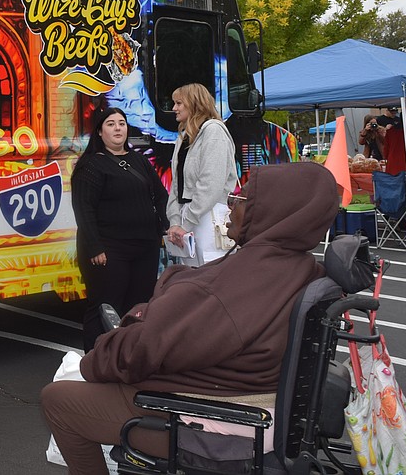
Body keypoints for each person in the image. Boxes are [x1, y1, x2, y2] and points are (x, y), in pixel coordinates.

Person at [41, 163, 339, 475]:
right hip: (258, 408)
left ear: (269, 212)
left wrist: (98, 357)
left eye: (241, 200)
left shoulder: (240, 284)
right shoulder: (299, 266)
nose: (232, 207)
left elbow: (139, 351)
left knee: (59, 400)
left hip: (224, 424)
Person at [71, 108, 168, 352]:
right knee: (105, 307)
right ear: (100, 132)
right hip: (108, 250)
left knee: (138, 307)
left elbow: (161, 196)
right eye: (111, 124)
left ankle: (128, 358)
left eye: (122, 123)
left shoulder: (139, 161)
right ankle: (94, 360)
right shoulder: (91, 166)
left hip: (144, 248)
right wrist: (94, 247)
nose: (117, 128)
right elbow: (84, 209)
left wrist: (165, 228)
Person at [165, 83, 239, 263]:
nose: (174, 108)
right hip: (191, 216)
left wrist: (184, 222)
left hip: (209, 217)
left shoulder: (213, 131)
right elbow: (177, 184)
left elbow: (210, 184)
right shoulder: (184, 137)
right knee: (192, 277)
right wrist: (175, 221)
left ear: (194, 103)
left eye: (179, 103)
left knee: (212, 277)